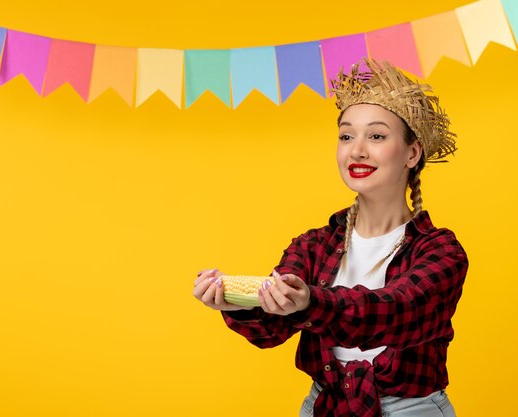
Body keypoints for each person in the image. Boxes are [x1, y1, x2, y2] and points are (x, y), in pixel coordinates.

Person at [192, 57, 468, 417]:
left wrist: (311, 302)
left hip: (411, 410)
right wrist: (236, 304)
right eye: (346, 136)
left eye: (377, 136)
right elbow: (273, 327)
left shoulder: (441, 251)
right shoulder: (312, 245)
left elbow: (395, 312)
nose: (357, 150)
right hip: (324, 405)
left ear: (412, 153)